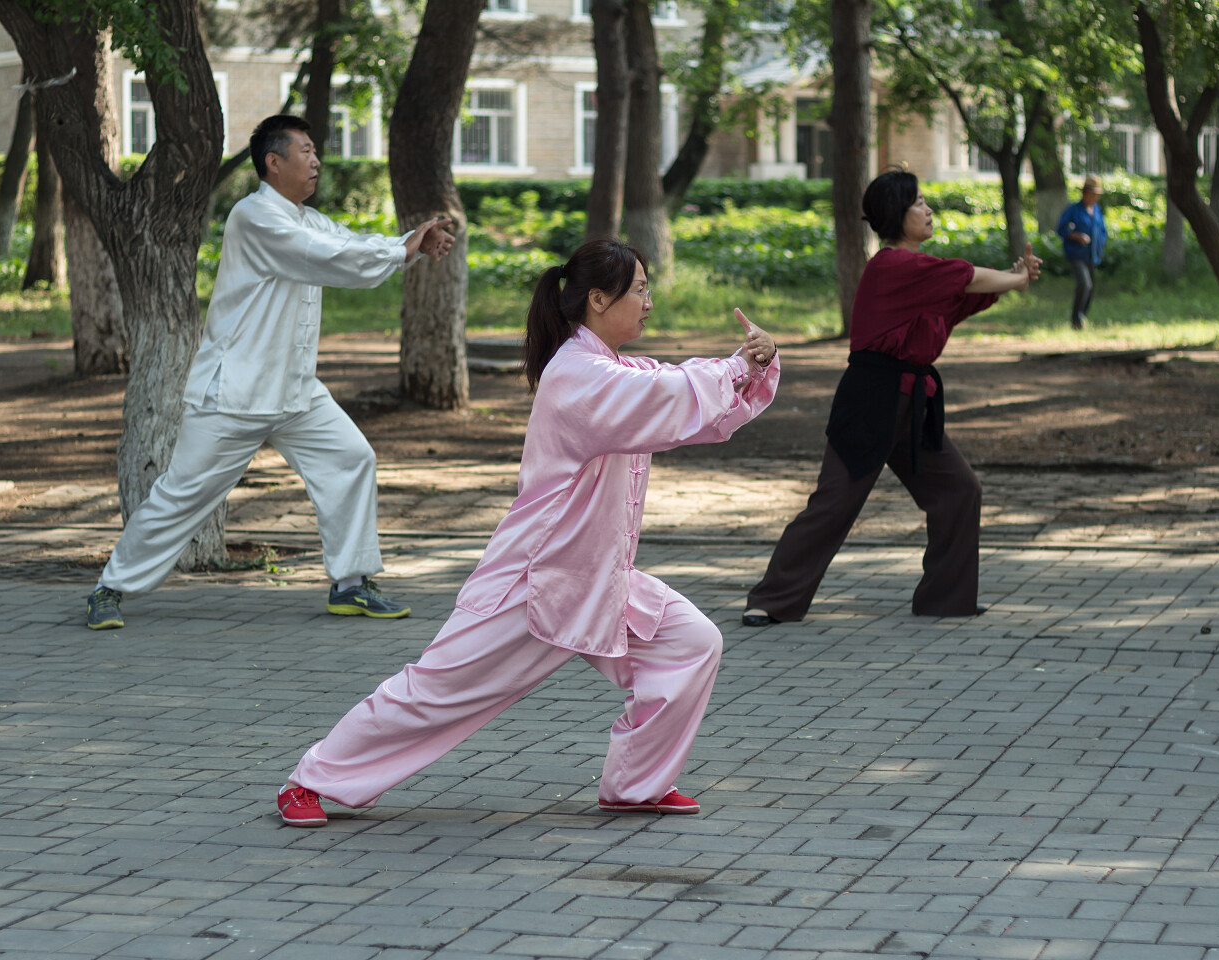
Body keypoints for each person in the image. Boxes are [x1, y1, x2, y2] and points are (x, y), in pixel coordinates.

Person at [275, 238, 780, 826]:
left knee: (690, 644)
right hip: (536, 577)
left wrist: (753, 366)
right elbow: (666, 398)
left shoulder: (610, 368)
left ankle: (636, 785)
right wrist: (738, 365)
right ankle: (309, 780)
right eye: (640, 289)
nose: (649, 301)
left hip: (595, 574)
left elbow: (683, 397)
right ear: (597, 298)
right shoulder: (577, 374)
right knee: (436, 690)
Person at [85, 114, 455, 630]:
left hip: (295, 390)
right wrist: (402, 247)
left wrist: (409, 247)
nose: (316, 160)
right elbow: (325, 257)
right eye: (305, 150)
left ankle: (350, 584)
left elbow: (346, 246)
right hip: (234, 392)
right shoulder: (254, 216)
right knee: (182, 494)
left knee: (351, 459)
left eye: (315, 151)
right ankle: (110, 588)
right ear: (273, 163)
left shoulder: (308, 219)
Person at [741, 167, 1041, 628]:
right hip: (872, 398)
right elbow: (963, 278)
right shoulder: (894, 266)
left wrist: (1012, 279)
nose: (928, 209)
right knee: (835, 502)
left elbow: (961, 295)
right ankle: (772, 599)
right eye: (918, 202)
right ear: (896, 214)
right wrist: (1014, 279)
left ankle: (947, 597)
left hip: (912, 401)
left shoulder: (920, 273)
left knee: (959, 490)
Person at [1056, 174, 1107, 330]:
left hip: (1092, 255)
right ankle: (1076, 318)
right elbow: (1061, 228)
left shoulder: (1097, 210)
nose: (1096, 197)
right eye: (1094, 194)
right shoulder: (1073, 210)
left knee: (1090, 288)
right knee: (1084, 284)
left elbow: (1102, 231)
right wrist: (1077, 236)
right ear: (1086, 193)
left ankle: (1081, 317)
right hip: (1076, 254)